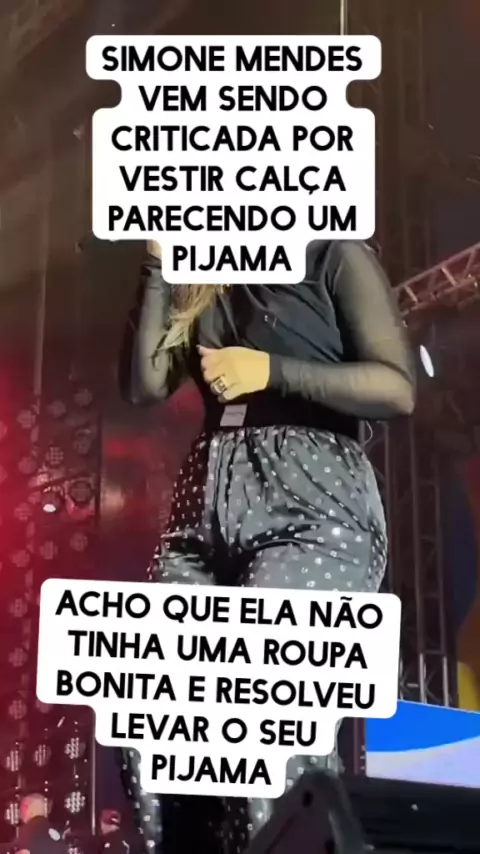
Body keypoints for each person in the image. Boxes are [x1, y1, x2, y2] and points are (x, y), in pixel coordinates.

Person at [119, 239, 415, 854]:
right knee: (150, 719)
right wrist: (156, 265)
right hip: (203, 505)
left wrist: (271, 371)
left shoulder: (332, 253)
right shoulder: (200, 275)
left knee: (268, 715)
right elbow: (144, 384)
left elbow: (395, 388)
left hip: (313, 500)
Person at [2, 794, 68, 854]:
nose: (19, 813)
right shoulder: (53, 831)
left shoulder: (30, 829)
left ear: (25, 808)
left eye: (20, 808)